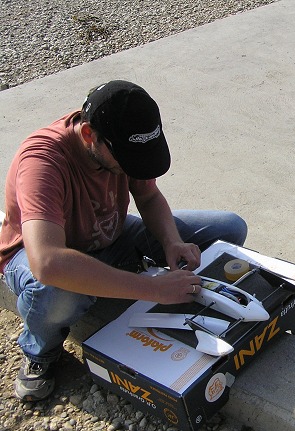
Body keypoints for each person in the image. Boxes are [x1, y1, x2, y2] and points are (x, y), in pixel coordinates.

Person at [0, 80, 248, 402]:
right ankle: (40, 352)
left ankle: (121, 281)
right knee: (56, 291)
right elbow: (48, 262)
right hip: (41, 256)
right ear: (89, 135)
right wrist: (155, 289)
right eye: (127, 160)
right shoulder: (43, 163)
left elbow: (147, 195)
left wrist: (172, 241)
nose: (131, 167)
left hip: (109, 236)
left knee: (228, 228)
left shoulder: (121, 139)